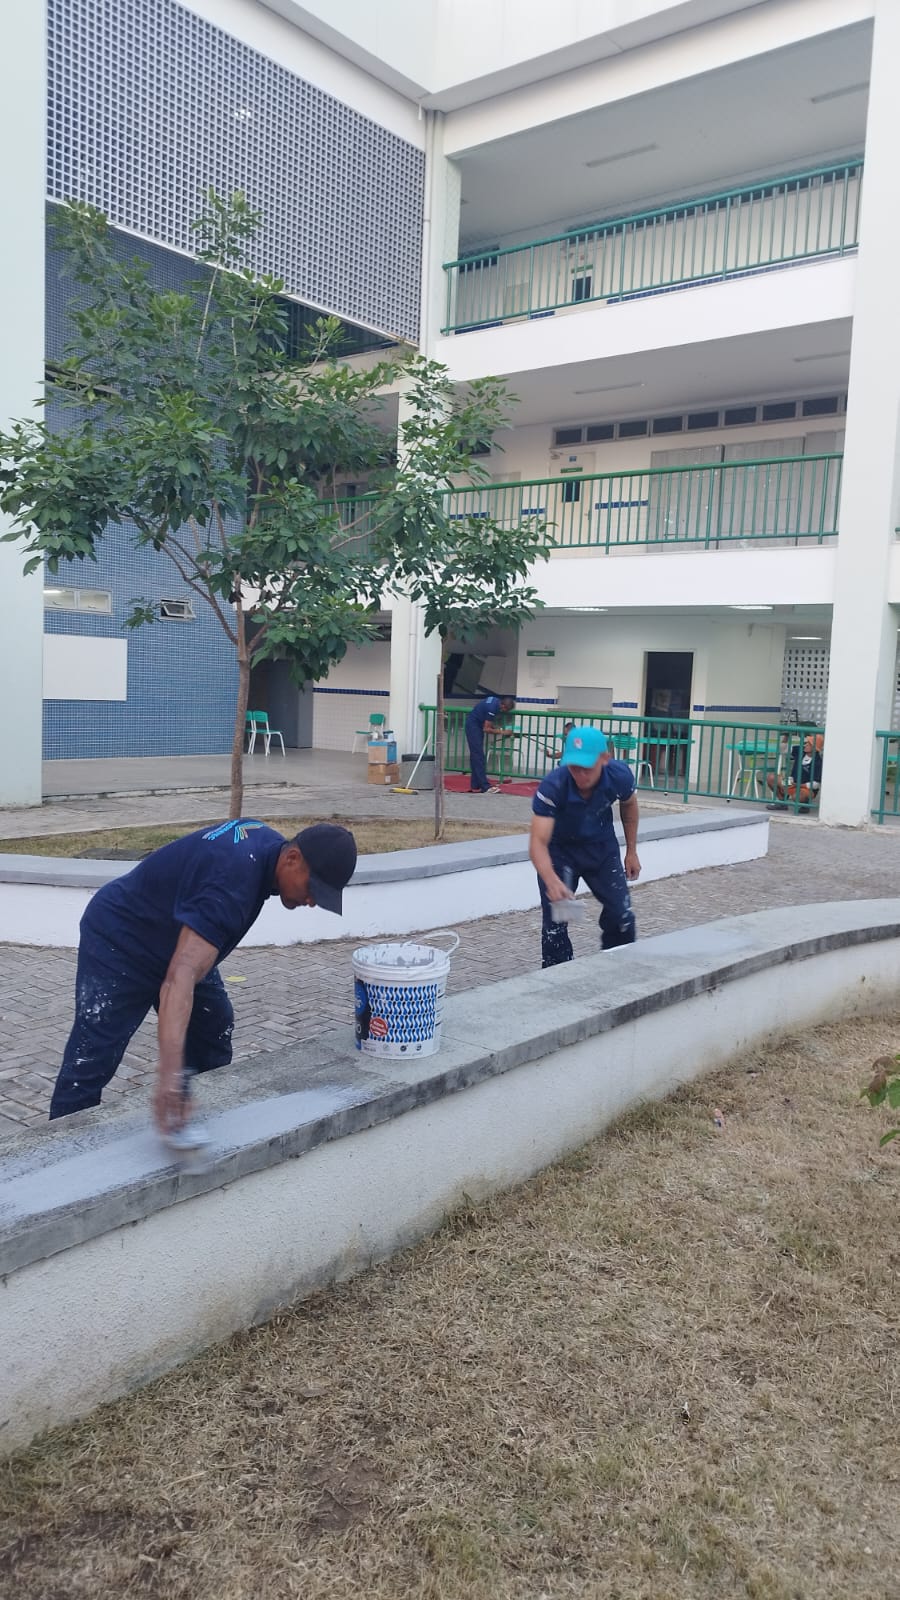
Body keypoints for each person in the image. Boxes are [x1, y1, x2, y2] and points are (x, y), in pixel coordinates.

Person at [48, 820, 357, 1134]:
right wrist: (169, 1075)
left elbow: (186, 960)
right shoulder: (232, 878)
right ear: (292, 859)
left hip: (177, 936)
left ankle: (190, 1119)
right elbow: (178, 978)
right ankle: (56, 1153)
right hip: (121, 939)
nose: (312, 901)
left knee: (212, 1026)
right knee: (92, 1057)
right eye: (312, 888)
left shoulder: (265, 848)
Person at [529, 726, 641, 968]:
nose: (580, 774)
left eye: (587, 767)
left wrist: (631, 851)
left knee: (621, 915)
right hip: (560, 853)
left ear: (605, 759)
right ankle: (556, 978)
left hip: (601, 849)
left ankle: (616, 966)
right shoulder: (554, 786)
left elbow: (629, 804)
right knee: (555, 925)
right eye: (573, 766)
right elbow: (537, 842)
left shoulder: (619, 776)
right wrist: (551, 880)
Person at [465, 693, 516, 794]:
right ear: (503, 706)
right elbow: (487, 728)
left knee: (476, 756)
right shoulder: (492, 708)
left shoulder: (495, 701)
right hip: (474, 727)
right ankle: (485, 786)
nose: (504, 712)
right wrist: (503, 732)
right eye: (506, 710)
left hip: (475, 724)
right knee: (478, 756)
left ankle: (475, 784)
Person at [766, 733, 824, 811]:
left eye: (809, 743)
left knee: (798, 795)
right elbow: (782, 749)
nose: (806, 744)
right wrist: (787, 736)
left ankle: (804, 805)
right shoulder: (800, 750)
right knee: (772, 778)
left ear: (815, 748)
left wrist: (800, 785)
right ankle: (782, 802)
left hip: (806, 789)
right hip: (792, 783)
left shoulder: (818, 762)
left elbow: (815, 785)